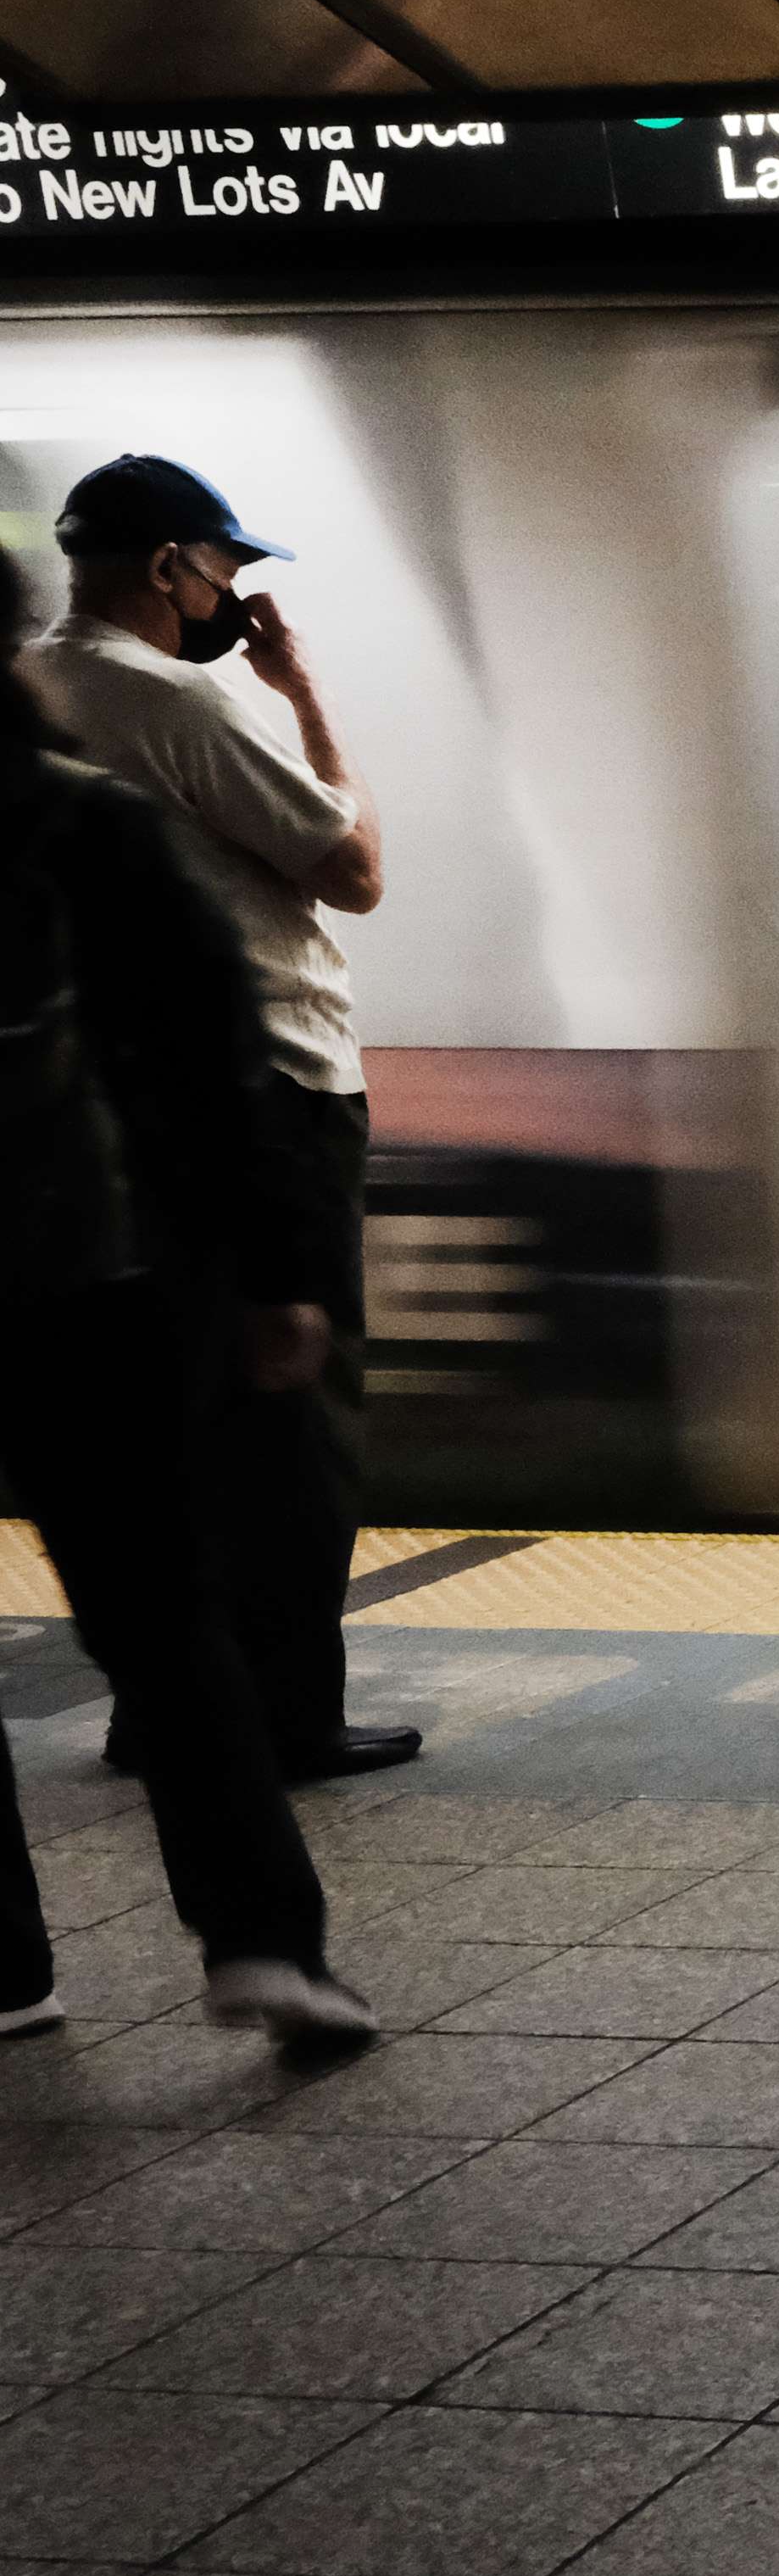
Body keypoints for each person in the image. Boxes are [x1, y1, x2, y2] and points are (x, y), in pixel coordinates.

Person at [0, 546, 377, 2054]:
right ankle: (264, 1948)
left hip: (67, 1285)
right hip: (80, 1286)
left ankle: (7, 1966)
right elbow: (215, 1060)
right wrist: (281, 1275)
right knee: (164, 1624)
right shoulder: (77, 816)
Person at [35, 455, 414, 1783]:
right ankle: (291, 1712)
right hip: (273, 1093)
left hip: (106, 1107)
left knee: (166, 1418)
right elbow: (352, 869)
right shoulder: (178, 697)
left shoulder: (34, 683)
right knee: (294, 1411)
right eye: (225, 571)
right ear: (167, 568)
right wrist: (299, 693)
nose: (231, 598)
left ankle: (164, 1705)